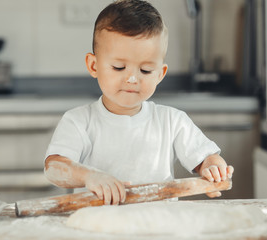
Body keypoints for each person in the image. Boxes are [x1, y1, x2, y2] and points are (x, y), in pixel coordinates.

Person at [44, 0, 234, 205]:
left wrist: (213, 167)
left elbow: (207, 157)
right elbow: (53, 168)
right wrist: (90, 176)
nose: (132, 79)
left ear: (160, 74)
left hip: (159, 229)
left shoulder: (172, 121)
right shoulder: (79, 121)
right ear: (93, 65)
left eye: (145, 71)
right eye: (118, 67)